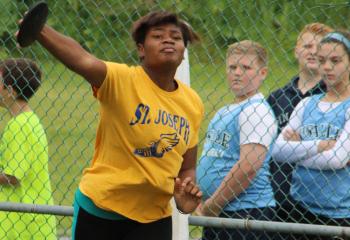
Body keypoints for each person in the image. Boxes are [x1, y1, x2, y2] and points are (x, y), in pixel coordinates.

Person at [18, 10, 204, 240]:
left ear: (183, 51)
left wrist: (185, 194)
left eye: (176, 37)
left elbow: (187, 166)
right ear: (141, 49)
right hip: (101, 209)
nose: (168, 40)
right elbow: (82, 59)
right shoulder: (122, 80)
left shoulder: (192, 102)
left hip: (153, 218)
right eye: (157, 36)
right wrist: (40, 30)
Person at [272, 31, 350, 240]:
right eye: (322, 60)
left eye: (336, 60)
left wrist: (299, 149)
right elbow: (278, 151)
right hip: (297, 208)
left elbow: (336, 159)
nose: (327, 67)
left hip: (337, 215)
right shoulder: (307, 103)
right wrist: (320, 145)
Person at [196, 40, 277, 240]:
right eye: (232, 67)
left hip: (246, 213)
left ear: (263, 73)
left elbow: (248, 167)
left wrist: (214, 204)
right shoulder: (225, 110)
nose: (237, 72)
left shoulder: (256, 110)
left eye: (246, 67)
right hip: (220, 211)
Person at [267, 23, 333, 225]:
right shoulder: (277, 98)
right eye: (307, 46)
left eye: (319, 48)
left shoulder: (334, 98)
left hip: (320, 200)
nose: (312, 52)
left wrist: (298, 143)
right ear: (296, 51)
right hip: (278, 198)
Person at [0, 58, 56, 239]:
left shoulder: (18, 126)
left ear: (10, 90)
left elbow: (12, 177)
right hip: (30, 221)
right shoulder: (30, 120)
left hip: (23, 225)